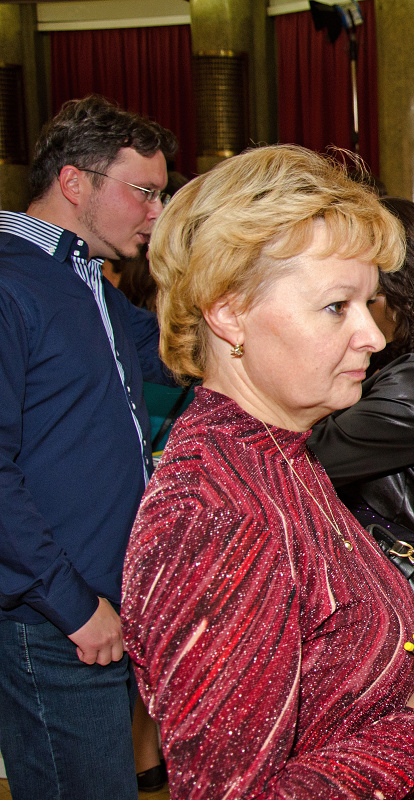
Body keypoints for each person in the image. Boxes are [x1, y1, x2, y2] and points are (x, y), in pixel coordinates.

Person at [122, 145, 414, 798]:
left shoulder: (281, 456)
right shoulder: (217, 518)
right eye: (337, 306)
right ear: (228, 312)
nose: (374, 336)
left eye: (370, 303)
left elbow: (327, 669)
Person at [0, 95, 176, 800]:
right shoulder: (12, 282)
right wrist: (71, 604)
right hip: (53, 615)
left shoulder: (83, 279)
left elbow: (171, 356)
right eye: (145, 192)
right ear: (75, 182)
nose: (156, 213)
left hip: (99, 600)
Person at [309, 197, 414, 650]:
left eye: (366, 298)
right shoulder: (411, 361)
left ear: (404, 294)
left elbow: (312, 458)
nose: (358, 319)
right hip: (402, 588)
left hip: (410, 600)